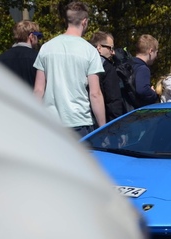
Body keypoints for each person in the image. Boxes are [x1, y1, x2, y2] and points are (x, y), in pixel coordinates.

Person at [33, 1, 105, 137]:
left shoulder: (47, 48)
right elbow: (95, 94)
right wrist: (103, 128)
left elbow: (38, 90)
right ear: (84, 21)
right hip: (79, 122)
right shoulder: (90, 51)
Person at [89, 31, 125, 123]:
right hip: (102, 123)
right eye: (110, 48)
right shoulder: (108, 67)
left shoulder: (84, 63)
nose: (113, 53)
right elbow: (113, 100)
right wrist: (116, 125)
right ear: (99, 47)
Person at [0, 20, 42, 88]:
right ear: (31, 36)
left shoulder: (1, 58)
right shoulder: (38, 58)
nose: (38, 40)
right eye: (38, 36)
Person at [128, 34, 160, 107]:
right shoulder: (143, 69)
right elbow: (142, 90)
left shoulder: (128, 64)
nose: (156, 56)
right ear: (151, 51)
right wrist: (153, 94)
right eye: (156, 52)